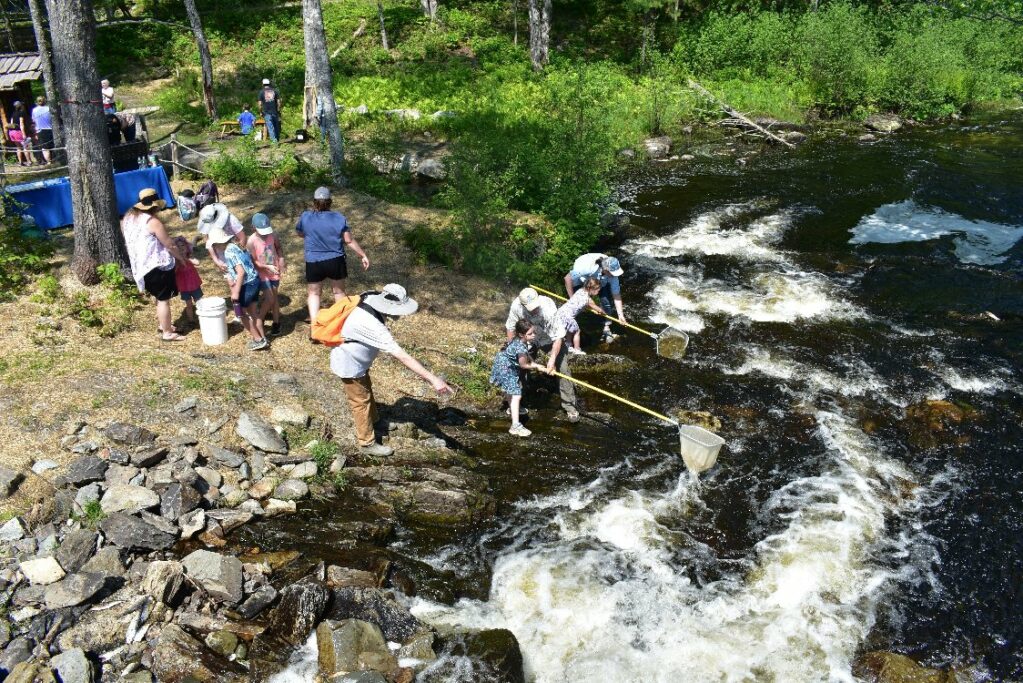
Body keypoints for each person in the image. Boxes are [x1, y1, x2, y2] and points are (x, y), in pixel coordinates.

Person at [330, 284, 453, 455]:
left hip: (359, 362)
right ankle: (366, 443)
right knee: (360, 401)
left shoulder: (370, 297)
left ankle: (375, 420)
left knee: (366, 390)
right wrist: (433, 379)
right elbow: (403, 357)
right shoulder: (373, 325)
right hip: (349, 362)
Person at [295, 186, 370, 332]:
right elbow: (348, 240)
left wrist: (311, 236)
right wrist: (363, 255)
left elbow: (300, 232)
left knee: (314, 293)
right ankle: (341, 326)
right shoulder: (339, 218)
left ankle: (315, 327)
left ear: (314, 202)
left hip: (313, 261)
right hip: (335, 260)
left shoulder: (305, 217)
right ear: (330, 202)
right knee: (338, 292)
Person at [121, 188, 187, 342]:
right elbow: (169, 244)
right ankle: (167, 333)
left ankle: (164, 325)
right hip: (156, 266)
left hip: (140, 266)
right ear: (155, 206)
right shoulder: (153, 222)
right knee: (164, 299)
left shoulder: (129, 218)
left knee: (158, 296)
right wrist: (181, 258)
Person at [505, 287, 579, 422]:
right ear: (523, 305)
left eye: (535, 306)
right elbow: (510, 327)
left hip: (548, 339)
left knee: (562, 368)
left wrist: (551, 361)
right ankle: (516, 403)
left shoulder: (548, 307)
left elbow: (558, 337)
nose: (534, 309)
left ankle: (569, 406)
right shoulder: (516, 306)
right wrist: (512, 349)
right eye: (530, 308)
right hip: (528, 339)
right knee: (518, 367)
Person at [206, 223, 268, 351]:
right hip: (255, 280)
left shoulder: (229, 252)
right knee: (253, 312)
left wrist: (235, 292)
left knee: (241, 313)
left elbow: (241, 272)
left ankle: (258, 340)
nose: (214, 247)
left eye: (214, 245)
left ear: (218, 243)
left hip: (247, 284)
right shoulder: (235, 246)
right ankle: (263, 338)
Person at [491, 319, 548, 437]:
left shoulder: (518, 340)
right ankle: (515, 426)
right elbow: (523, 365)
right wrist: (537, 368)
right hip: (506, 368)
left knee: (511, 391)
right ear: (522, 334)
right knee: (517, 395)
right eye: (530, 334)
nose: (533, 335)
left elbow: (527, 356)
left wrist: (536, 364)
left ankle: (512, 409)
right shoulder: (520, 347)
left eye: (534, 332)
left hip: (503, 362)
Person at [564, 253, 626, 342]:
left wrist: (621, 315)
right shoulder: (587, 268)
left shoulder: (612, 276)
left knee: (606, 302)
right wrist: (572, 298)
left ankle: (606, 326)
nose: (614, 275)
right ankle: (571, 329)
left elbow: (616, 295)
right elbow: (567, 278)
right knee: (577, 303)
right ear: (606, 269)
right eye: (612, 273)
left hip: (600, 280)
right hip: (582, 278)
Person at [247, 213, 285, 336]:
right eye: (261, 231)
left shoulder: (273, 235)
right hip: (262, 273)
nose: (265, 234)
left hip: (274, 271)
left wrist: (281, 260)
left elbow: (278, 248)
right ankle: (260, 318)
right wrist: (265, 267)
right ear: (253, 228)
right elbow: (253, 261)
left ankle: (276, 322)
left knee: (274, 297)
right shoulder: (251, 241)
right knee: (270, 298)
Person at [557, 277, 603, 355]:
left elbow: (581, 304)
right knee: (577, 331)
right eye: (598, 290)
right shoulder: (588, 300)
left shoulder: (580, 291)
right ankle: (577, 349)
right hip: (568, 316)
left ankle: (568, 345)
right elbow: (599, 309)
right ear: (591, 289)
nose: (598, 292)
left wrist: (592, 309)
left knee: (570, 330)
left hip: (561, 312)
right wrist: (603, 312)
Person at [197, 203, 247, 271]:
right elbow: (209, 243)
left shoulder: (230, 219)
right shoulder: (207, 221)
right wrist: (217, 261)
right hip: (222, 256)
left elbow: (242, 237)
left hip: (235, 250)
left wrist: (240, 255)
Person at [173, 236, 203, 327]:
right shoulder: (176, 261)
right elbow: (173, 272)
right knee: (189, 304)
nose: (181, 248)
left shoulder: (190, 257)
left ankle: (202, 316)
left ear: (186, 247)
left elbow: (197, 263)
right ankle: (191, 320)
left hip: (194, 285)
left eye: (182, 245)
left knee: (199, 302)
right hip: (184, 287)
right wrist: (179, 261)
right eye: (178, 247)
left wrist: (186, 258)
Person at [7, 101, 32, 167]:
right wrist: (23, 134)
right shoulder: (21, 113)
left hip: (12, 132)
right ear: (20, 106)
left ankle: (20, 162)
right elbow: (21, 124)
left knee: (18, 148)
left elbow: (12, 123)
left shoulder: (13, 113)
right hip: (18, 132)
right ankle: (29, 162)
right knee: (25, 147)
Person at [258, 78, 281, 143]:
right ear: (269, 83)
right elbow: (279, 102)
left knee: (271, 128)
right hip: (275, 112)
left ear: (263, 84)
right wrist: (278, 110)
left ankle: (274, 143)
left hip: (266, 112)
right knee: (276, 127)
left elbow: (260, 104)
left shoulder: (261, 92)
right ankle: (277, 140)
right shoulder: (275, 91)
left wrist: (260, 112)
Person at [31, 96, 53, 165]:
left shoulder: (34, 110)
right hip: (50, 128)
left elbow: (33, 121)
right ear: (45, 101)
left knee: (44, 148)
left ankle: (49, 162)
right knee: (50, 146)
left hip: (40, 130)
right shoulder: (48, 108)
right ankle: (51, 161)